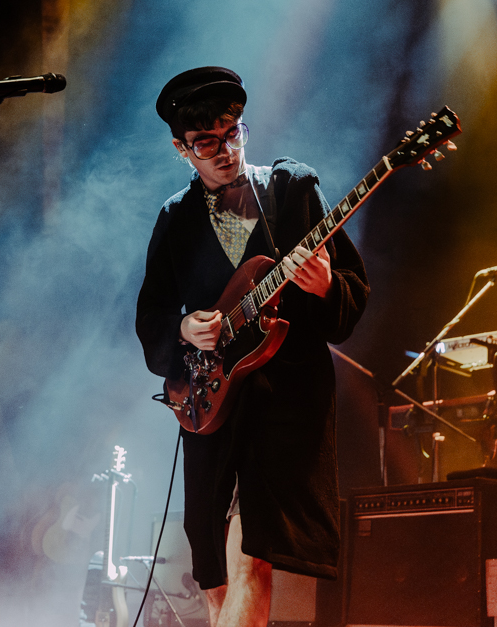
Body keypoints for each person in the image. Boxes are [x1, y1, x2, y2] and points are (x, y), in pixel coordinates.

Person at [136, 67, 369, 627]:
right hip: (210, 402)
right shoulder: (175, 217)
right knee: (213, 572)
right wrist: (184, 329)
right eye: (206, 143)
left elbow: (352, 291)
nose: (225, 151)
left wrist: (326, 286)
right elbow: (151, 315)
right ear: (181, 148)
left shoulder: (292, 189)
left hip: (283, 401)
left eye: (233, 133)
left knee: (251, 553)